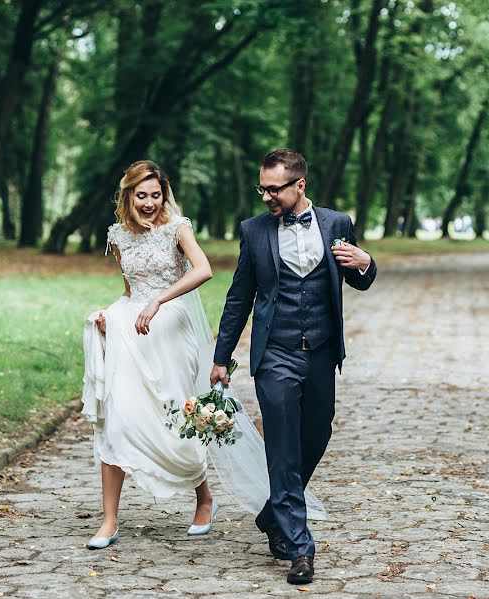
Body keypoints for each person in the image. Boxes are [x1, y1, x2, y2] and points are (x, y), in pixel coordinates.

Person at [210, 148, 377, 585]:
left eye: (274, 188)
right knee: (282, 448)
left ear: (299, 185)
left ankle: (272, 514)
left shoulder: (336, 224)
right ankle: (299, 548)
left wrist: (367, 264)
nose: (266, 196)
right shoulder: (254, 231)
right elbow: (239, 297)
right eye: (262, 188)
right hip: (276, 354)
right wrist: (221, 357)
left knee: (317, 432)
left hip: (321, 352)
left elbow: (357, 276)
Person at [80, 160, 219, 549]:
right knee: (118, 421)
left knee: (176, 417)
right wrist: (110, 316)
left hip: (171, 328)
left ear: (164, 194)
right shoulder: (117, 236)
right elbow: (129, 292)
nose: (149, 203)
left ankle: (204, 498)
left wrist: (158, 300)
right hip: (131, 332)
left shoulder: (178, 227)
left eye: (155, 195)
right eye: (141, 196)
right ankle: (109, 521)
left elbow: (204, 269)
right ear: (128, 195)